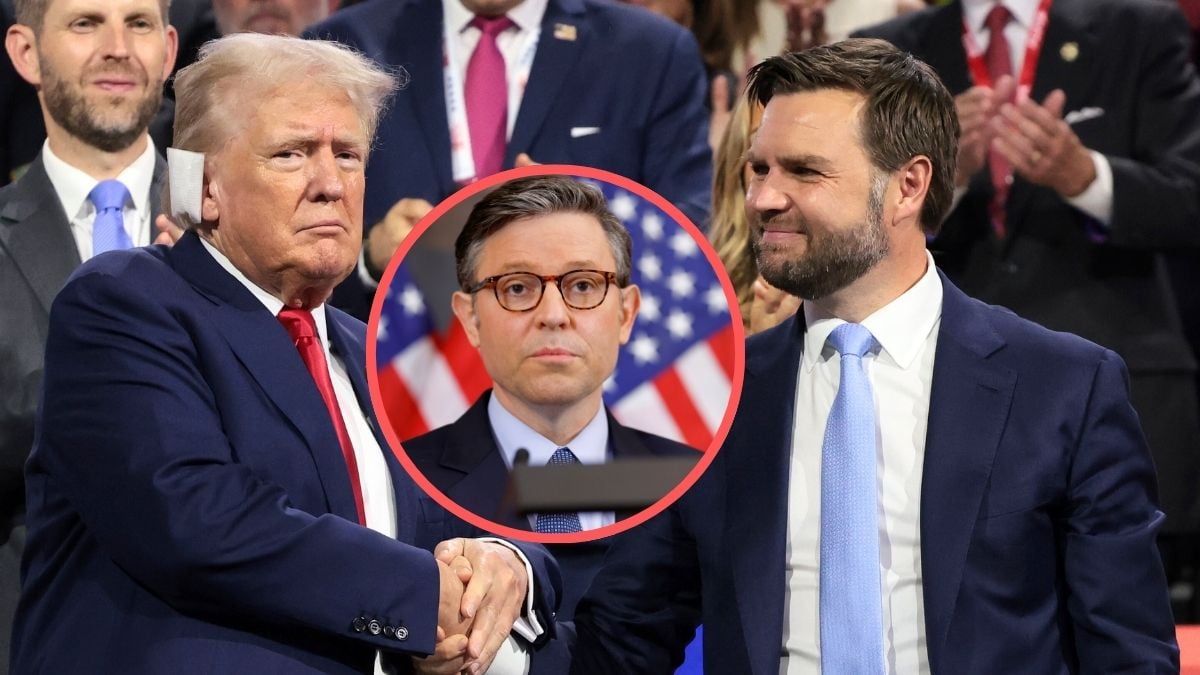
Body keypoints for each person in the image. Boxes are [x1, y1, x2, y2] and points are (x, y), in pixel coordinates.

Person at [559, 39, 1177, 673]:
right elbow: (622, 641)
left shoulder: (1066, 387)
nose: (765, 198)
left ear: (907, 187)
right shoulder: (716, 397)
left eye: (803, 171)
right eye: (759, 169)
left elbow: (1127, 652)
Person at [11, 33, 556, 674]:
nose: (331, 184)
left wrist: (506, 565)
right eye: (291, 153)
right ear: (204, 186)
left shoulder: (369, 351)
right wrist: (423, 597)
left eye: (348, 155)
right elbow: (195, 518)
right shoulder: (126, 303)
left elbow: (483, 506)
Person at [854, 0, 1200, 542]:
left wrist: (1087, 177)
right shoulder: (882, 52)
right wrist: (943, 179)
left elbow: (1190, 199)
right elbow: (855, 227)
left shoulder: (1141, 30)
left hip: (1118, 381)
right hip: (939, 388)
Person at [401, 174, 696, 622]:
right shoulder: (402, 474)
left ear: (626, 313)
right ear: (470, 319)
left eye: (582, 286)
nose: (554, 316)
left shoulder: (692, 480)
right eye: (517, 287)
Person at [305, 0, 713, 320]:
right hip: (388, 362)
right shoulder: (342, 44)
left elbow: (686, 238)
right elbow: (289, 232)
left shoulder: (648, 53)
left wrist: (579, 233)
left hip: (581, 371)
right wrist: (367, 260)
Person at [0, 0, 175, 669]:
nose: (116, 47)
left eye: (137, 24)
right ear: (24, 52)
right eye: (84, 23)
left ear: (168, 47)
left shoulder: (236, 233)